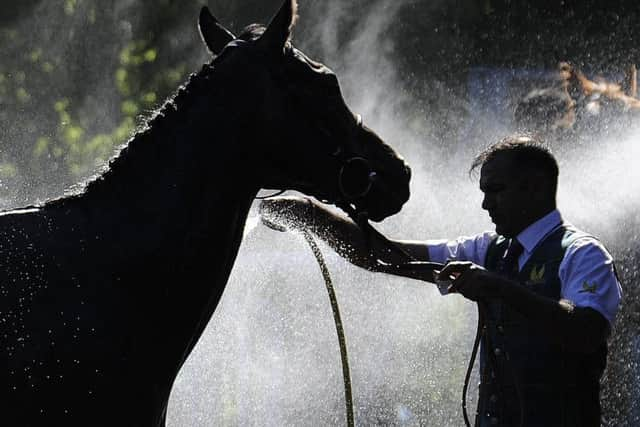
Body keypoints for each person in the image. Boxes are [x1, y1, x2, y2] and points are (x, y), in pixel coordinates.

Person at [259, 134, 622, 427]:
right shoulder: (489, 249)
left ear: (537, 188)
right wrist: (312, 216)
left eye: (496, 190)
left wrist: (498, 288)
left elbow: (587, 332)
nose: (485, 205)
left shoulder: (583, 254)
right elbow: (384, 255)